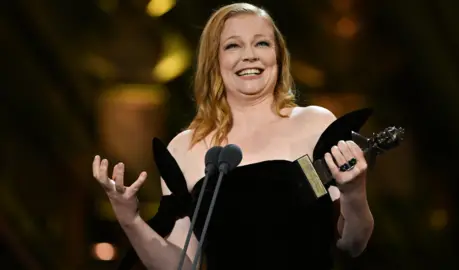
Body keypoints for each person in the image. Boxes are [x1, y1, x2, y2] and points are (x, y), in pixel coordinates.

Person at [92, 2, 374, 269]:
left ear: (278, 55)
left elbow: (352, 243)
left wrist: (354, 191)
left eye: (261, 43)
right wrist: (130, 219)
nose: (249, 54)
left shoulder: (316, 123)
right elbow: (179, 264)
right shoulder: (185, 148)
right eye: (233, 45)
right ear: (214, 61)